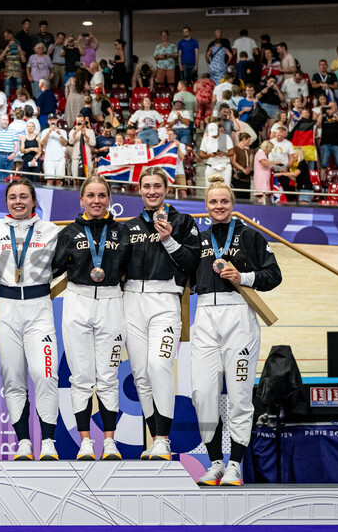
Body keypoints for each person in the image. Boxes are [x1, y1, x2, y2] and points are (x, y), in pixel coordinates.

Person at [192, 175, 282, 486]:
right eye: (213, 201)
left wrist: (243, 276)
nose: (219, 206)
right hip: (204, 316)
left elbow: (274, 275)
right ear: (205, 206)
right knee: (202, 394)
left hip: (240, 316)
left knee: (241, 396)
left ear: (233, 205)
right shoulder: (199, 240)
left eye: (224, 201)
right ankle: (215, 461)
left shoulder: (251, 237)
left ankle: (235, 464)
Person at [123, 167, 200, 461]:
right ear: (139, 191)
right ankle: (155, 439)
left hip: (166, 302)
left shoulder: (182, 222)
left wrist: (169, 240)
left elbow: (193, 262)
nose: (152, 191)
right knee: (141, 375)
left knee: (159, 367)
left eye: (157, 186)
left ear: (166, 190)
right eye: (147, 186)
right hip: (131, 302)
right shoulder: (129, 226)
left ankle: (164, 440)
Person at [51, 175, 130, 460]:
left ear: (110, 199)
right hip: (77, 300)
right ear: (81, 199)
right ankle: (86, 441)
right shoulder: (69, 233)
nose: (96, 201)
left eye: (102, 196)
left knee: (108, 376)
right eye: (91, 196)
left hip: (112, 302)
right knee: (81, 377)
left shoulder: (122, 232)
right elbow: (52, 269)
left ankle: (110, 442)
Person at [0, 179, 60, 460]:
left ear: (34, 201)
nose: (18, 201)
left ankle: (48, 442)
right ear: (6, 202)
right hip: (5, 308)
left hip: (39, 308)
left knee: (45, 374)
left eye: (23, 197)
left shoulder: (51, 231)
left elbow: (61, 265)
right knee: (13, 379)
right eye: (12, 197)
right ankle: (23, 442)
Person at [0, 114, 20, 181]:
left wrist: (13, 154)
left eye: (6, 120)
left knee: (8, 178)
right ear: (0, 121)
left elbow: (16, 145)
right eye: (3, 120)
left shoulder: (13, 131)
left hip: (10, 156)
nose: (5, 121)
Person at [0, 30, 26, 99]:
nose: (5, 39)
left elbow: (24, 60)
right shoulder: (6, 48)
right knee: (7, 87)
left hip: (17, 72)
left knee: (19, 88)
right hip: (8, 72)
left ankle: (19, 102)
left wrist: (20, 50)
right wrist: (6, 49)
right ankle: (7, 103)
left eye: (6, 37)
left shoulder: (18, 46)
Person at [41, 117, 67, 186]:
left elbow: (65, 143)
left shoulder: (62, 131)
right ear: (48, 121)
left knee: (59, 181)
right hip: (48, 159)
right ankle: (48, 196)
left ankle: (60, 196)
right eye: (51, 120)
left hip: (60, 159)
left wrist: (60, 134)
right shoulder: (44, 131)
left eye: (54, 120)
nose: (52, 121)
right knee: (49, 180)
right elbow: (43, 143)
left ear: (57, 120)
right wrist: (49, 132)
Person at [69, 114, 96, 179]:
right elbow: (70, 141)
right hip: (76, 157)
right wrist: (76, 131)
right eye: (78, 121)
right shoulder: (73, 131)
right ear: (76, 122)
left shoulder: (90, 131)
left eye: (81, 121)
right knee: (75, 177)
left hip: (87, 157)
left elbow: (93, 143)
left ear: (84, 121)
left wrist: (85, 135)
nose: (80, 123)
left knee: (88, 177)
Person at [252, 140, 275, 204]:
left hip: (265, 177)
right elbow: (264, 163)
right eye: (270, 149)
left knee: (266, 194)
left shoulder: (264, 154)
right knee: (263, 194)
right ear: (267, 147)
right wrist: (274, 162)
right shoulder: (260, 153)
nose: (270, 151)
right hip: (261, 177)